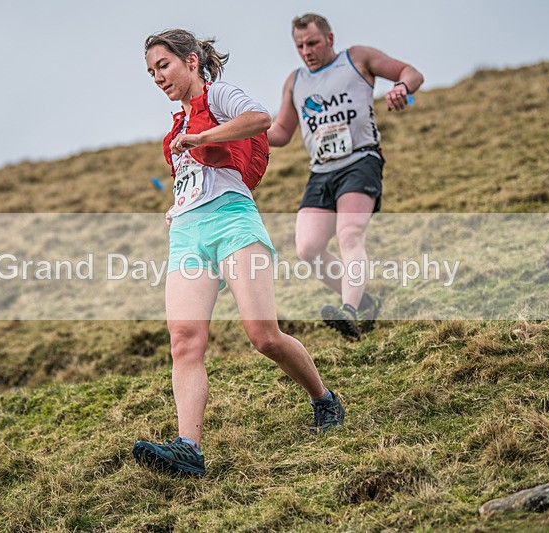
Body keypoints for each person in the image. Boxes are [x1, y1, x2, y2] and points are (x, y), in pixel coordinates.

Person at [133, 29, 345, 478]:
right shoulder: (176, 125)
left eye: (163, 65)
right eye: (151, 71)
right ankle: (189, 447)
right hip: (187, 234)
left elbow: (260, 119)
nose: (157, 77)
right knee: (184, 342)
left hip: (232, 223)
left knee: (264, 336)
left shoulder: (220, 94)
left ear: (191, 61)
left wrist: (201, 135)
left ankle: (323, 398)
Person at [267, 13, 424, 340]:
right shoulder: (295, 81)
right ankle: (365, 301)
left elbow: (411, 72)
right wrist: (239, 133)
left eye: (313, 43)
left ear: (330, 39)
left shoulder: (357, 58)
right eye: (300, 46)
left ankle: (349, 311)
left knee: (350, 234)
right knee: (308, 249)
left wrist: (402, 87)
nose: (307, 51)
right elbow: (281, 132)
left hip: (360, 161)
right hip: (321, 171)